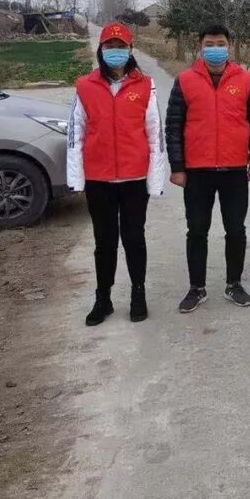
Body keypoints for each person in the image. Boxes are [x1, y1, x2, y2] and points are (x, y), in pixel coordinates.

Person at [67, 22, 166, 326]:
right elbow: (76, 133)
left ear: (130, 50)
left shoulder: (145, 85)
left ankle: (138, 293)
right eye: (109, 47)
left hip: (134, 179)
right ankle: (103, 298)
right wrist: (76, 179)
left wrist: (155, 180)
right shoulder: (85, 86)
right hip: (99, 179)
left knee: (134, 238)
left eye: (121, 47)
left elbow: (155, 134)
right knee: (105, 241)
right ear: (101, 50)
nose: (115, 52)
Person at [165, 23, 250, 313]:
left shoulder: (245, 80)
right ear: (200, 47)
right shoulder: (185, 80)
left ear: (229, 47)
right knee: (197, 229)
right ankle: (196, 288)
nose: (215, 49)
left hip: (234, 170)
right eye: (209, 44)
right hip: (197, 171)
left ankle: (234, 284)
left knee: (235, 229)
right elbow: (174, 126)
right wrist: (177, 166)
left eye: (220, 44)